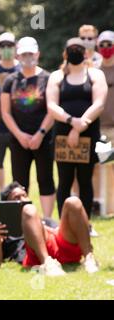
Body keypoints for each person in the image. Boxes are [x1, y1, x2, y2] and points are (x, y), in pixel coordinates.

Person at [46, 38, 107, 225]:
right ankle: (64, 224)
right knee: (64, 180)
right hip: (63, 135)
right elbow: (51, 105)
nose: (75, 52)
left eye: (79, 49)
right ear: (65, 54)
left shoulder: (95, 74)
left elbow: (99, 103)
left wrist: (82, 124)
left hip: (88, 134)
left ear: (86, 53)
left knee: (85, 179)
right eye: (71, 49)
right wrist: (72, 122)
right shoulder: (56, 76)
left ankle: (85, 223)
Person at [1, 37, 56, 218]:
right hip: (18, 141)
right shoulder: (10, 80)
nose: (27, 57)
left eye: (30, 53)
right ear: (18, 55)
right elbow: (5, 112)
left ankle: (47, 220)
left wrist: (40, 134)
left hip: (44, 138)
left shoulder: (48, 78)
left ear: (37, 54)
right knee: (19, 183)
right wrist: (20, 135)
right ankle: (21, 222)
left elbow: (52, 109)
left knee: (45, 180)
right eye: (24, 54)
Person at [1, 182, 99, 275]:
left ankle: (89, 258)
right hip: (37, 255)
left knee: (73, 201)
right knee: (28, 209)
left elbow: (59, 230)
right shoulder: (4, 230)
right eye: (16, 198)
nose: (23, 200)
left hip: (61, 245)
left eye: (24, 195)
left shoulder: (42, 219)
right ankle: (47, 264)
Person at [0, 32, 21, 202]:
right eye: (3, 46)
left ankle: (19, 194)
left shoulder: (20, 68)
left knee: (19, 165)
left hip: (19, 126)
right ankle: (3, 193)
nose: (7, 49)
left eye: (10, 45)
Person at [92, 31, 114, 215]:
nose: (106, 49)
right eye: (103, 45)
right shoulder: (94, 71)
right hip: (99, 127)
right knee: (98, 166)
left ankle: (111, 206)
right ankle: (99, 204)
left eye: (110, 44)